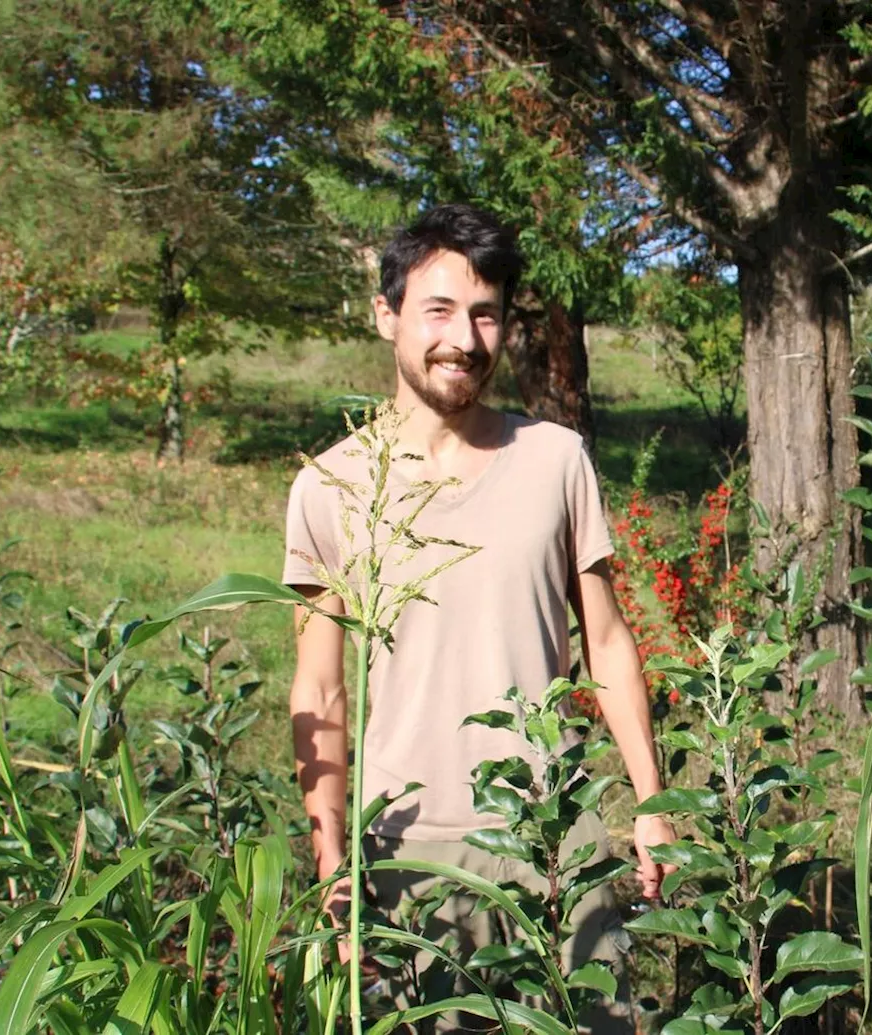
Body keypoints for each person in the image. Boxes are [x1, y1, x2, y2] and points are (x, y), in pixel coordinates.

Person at [282, 203, 675, 1031]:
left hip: (554, 848)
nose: (463, 338)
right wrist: (330, 857)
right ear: (385, 314)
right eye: (438, 309)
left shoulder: (556, 461)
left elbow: (606, 644)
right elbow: (320, 688)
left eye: (485, 313)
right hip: (406, 860)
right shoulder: (331, 486)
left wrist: (649, 799)